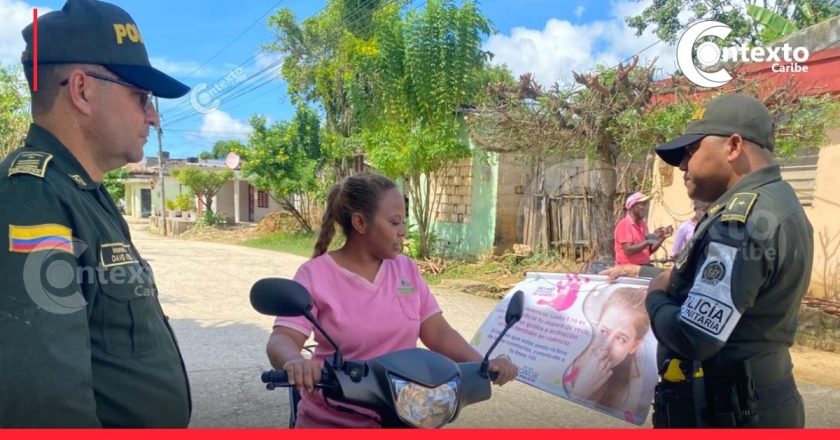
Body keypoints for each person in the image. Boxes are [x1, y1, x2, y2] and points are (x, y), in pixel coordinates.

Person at [0, 0, 191, 427]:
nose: (154, 116)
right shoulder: (31, 196)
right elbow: (45, 404)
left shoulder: (83, 193)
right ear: (82, 90)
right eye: (141, 95)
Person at [265, 173, 518, 428]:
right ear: (360, 223)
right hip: (333, 419)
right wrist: (294, 362)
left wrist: (483, 364)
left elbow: (437, 332)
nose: (403, 231)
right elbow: (282, 338)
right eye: (395, 222)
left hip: (406, 415)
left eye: (404, 222)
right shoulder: (315, 275)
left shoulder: (405, 269)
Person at [647, 94, 813, 428]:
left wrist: (652, 297)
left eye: (691, 151)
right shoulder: (780, 202)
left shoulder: (738, 224)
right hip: (760, 400)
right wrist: (639, 271)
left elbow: (694, 336)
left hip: (728, 412)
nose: (682, 166)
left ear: (733, 146)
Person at [563, 287, 651, 423]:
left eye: (621, 339)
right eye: (603, 331)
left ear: (633, 346)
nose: (605, 347)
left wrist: (580, 394)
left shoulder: (629, 389)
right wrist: (580, 392)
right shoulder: (568, 354)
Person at [613, 192, 672, 266]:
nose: (646, 207)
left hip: (641, 267)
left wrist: (662, 238)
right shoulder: (624, 224)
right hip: (627, 269)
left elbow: (648, 251)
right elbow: (628, 250)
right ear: (632, 206)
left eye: (646, 204)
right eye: (642, 204)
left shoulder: (643, 225)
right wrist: (650, 240)